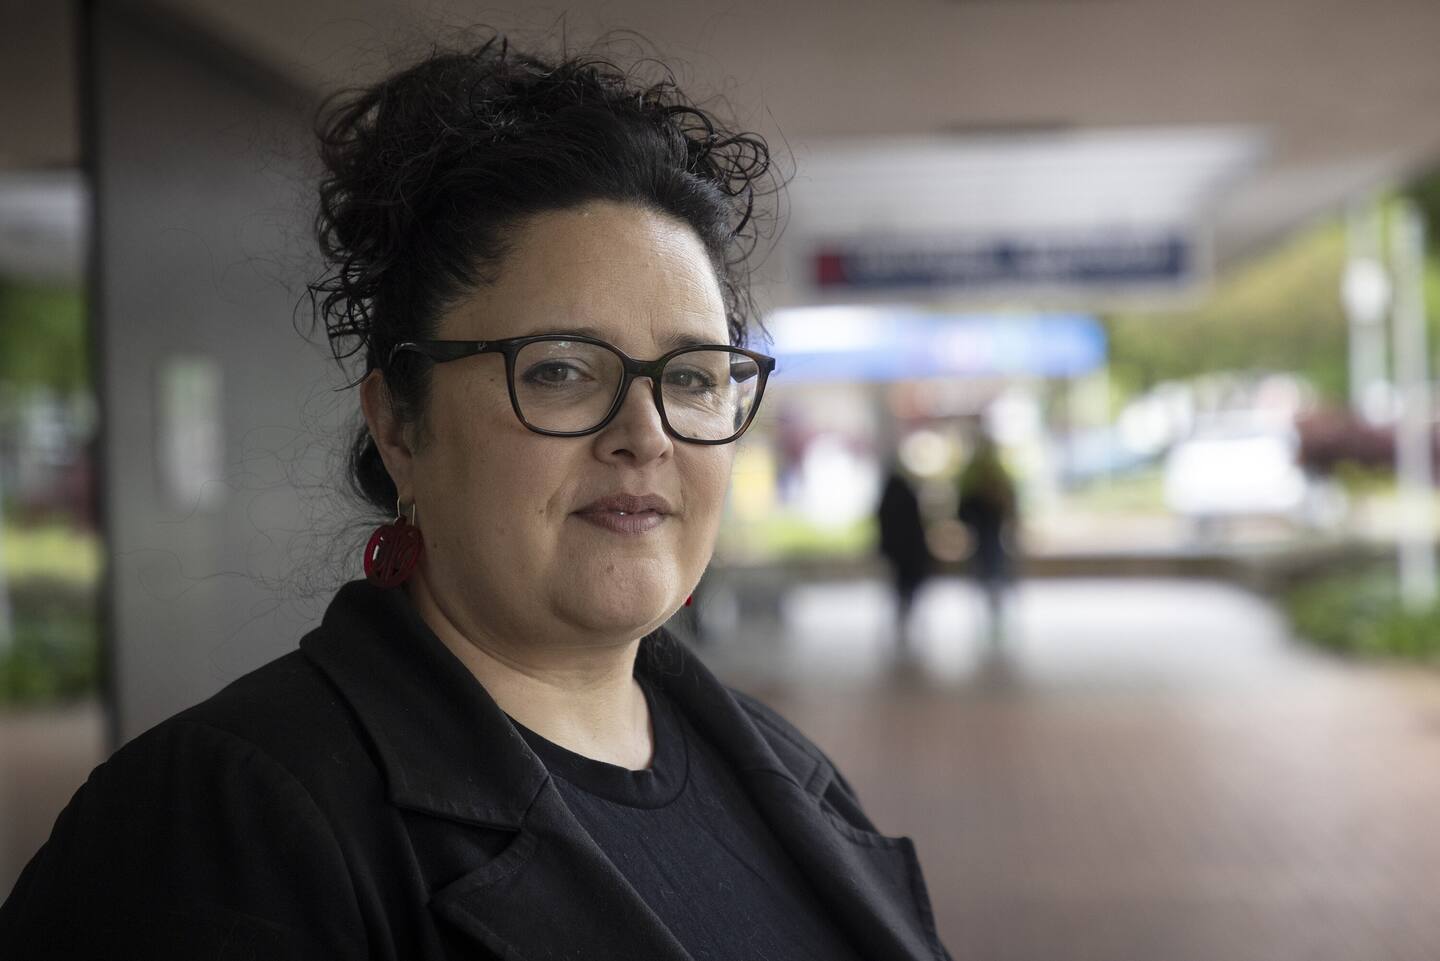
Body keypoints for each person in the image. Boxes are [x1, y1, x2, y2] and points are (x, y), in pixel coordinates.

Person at [0, 37, 952, 961]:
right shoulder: (222, 825)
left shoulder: (793, 776)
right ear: (399, 427)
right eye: (562, 369)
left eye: (696, 377)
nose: (647, 431)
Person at [956, 430, 1018, 639]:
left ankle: (994, 603)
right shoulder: (986, 470)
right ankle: (993, 603)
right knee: (990, 569)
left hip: (988, 532)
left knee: (990, 569)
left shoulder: (979, 470)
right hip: (985, 532)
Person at [876, 458, 933, 654]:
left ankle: (903, 611)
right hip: (909, 550)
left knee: (901, 584)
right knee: (908, 584)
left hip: (897, 551)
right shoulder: (908, 496)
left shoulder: (887, 498)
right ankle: (905, 610)